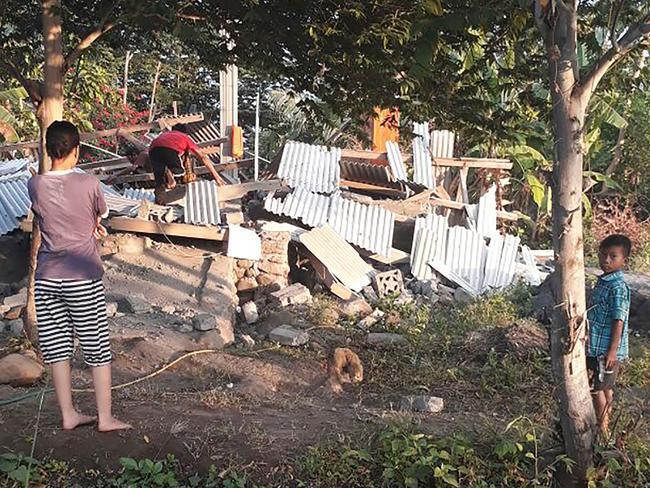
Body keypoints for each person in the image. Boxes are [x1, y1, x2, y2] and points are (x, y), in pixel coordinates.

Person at [27, 120, 131, 432]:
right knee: (96, 345)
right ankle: (105, 418)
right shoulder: (89, 183)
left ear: (48, 150)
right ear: (77, 151)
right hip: (81, 276)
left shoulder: (35, 184)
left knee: (57, 347)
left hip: (47, 277)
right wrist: (92, 226)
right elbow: (98, 212)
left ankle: (69, 415)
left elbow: (52, 217)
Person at [586, 234, 632, 434]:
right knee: (605, 387)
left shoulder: (617, 287)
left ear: (625, 261)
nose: (606, 260)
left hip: (605, 351)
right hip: (597, 346)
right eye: (603, 254)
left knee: (597, 389)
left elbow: (618, 320)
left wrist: (612, 351)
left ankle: (602, 430)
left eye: (613, 256)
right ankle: (605, 421)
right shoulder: (604, 281)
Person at [148, 123, 224, 203]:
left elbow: (164, 158)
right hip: (169, 149)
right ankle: (178, 187)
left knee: (159, 179)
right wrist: (217, 177)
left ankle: (160, 199)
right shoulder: (185, 137)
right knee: (179, 172)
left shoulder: (165, 134)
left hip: (153, 149)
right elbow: (203, 157)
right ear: (185, 132)